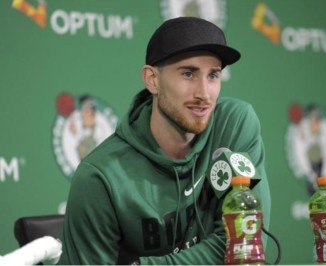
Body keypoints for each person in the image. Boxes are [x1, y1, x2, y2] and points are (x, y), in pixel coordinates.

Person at [58, 16, 271, 265]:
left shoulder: (234, 124)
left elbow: (245, 244)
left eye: (213, 75)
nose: (204, 93)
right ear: (152, 80)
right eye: (188, 73)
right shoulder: (100, 176)